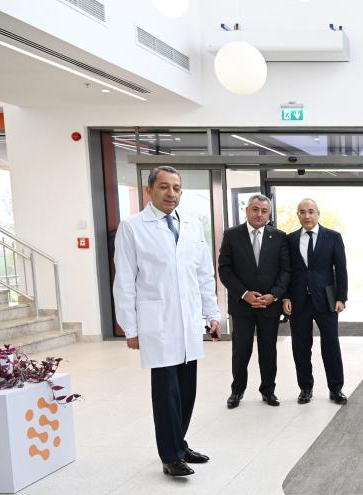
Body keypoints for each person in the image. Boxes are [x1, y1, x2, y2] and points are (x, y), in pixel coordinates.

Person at [113, 166, 222, 477]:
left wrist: (212, 313)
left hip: (188, 321)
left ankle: (180, 444)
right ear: (149, 191)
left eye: (176, 188)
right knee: (166, 394)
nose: (171, 193)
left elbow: (203, 274)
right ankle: (170, 456)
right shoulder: (132, 227)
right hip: (156, 323)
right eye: (164, 187)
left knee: (187, 390)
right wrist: (130, 328)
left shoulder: (191, 225)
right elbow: (124, 282)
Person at [217, 194, 291, 409]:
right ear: (247, 210)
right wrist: (244, 294)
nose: (259, 214)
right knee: (241, 351)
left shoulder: (279, 237)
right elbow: (225, 269)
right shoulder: (232, 235)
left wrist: (274, 295)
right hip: (242, 306)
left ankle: (268, 391)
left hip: (269, 305)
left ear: (269, 214)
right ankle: (237, 391)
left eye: (264, 211)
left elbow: (286, 270)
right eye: (255, 209)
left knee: (268, 351)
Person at [283, 198, 349, 405]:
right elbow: (285, 271)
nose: (307, 216)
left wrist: (341, 297)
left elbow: (341, 269)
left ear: (318, 214)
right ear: (298, 215)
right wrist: (285, 297)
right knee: (301, 347)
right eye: (302, 212)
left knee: (331, 345)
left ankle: (336, 389)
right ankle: (305, 388)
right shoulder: (290, 240)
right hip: (298, 301)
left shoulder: (333, 237)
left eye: (311, 211)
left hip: (327, 300)